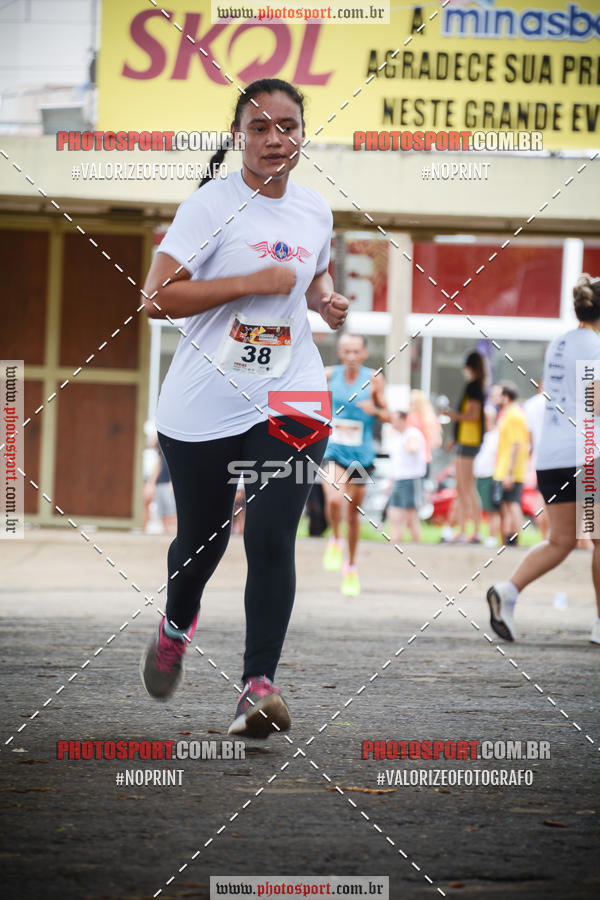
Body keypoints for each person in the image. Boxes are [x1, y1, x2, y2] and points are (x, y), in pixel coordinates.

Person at [139, 78, 349, 738]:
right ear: (239, 138)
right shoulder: (209, 208)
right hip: (205, 400)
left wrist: (326, 302)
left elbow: (314, 273)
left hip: (293, 391)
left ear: (302, 134)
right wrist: (247, 285)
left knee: (268, 532)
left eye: (286, 126)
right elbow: (155, 298)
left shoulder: (316, 211)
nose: (273, 139)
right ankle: (176, 625)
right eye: (259, 128)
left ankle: (258, 686)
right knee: (203, 542)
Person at [487, 275, 600, 644]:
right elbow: (593, 403)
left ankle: (507, 591)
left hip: (552, 454)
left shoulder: (559, 342)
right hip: (586, 453)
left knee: (561, 540)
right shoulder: (595, 346)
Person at [320, 333, 389, 597]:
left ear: (363, 353)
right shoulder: (328, 375)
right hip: (333, 451)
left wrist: (377, 410)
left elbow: (389, 414)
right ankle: (335, 538)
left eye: (355, 352)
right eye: (346, 351)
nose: (350, 356)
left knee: (353, 513)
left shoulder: (374, 379)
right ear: (339, 352)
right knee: (335, 500)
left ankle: (350, 566)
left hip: (362, 456)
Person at [444, 350, 487, 543]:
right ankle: (466, 530)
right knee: (464, 488)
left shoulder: (474, 387)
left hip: (468, 442)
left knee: (465, 488)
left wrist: (450, 415)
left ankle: (472, 530)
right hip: (467, 440)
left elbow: (472, 415)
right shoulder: (477, 386)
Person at [491, 381, 530, 546]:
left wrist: (510, 472)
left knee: (512, 503)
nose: (493, 397)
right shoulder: (508, 414)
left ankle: (514, 539)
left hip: (510, 470)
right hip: (504, 468)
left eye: (497, 394)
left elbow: (516, 444)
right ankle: (509, 537)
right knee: (507, 504)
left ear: (506, 397)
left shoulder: (514, 415)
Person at [387, 410, 427, 543]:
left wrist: (408, 443)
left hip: (411, 479)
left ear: (403, 419)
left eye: (394, 418)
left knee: (411, 517)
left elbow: (413, 448)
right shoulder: (397, 437)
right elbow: (396, 464)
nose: (392, 421)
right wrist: (391, 482)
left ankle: (416, 546)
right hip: (399, 480)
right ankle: (395, 545)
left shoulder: (412, 433)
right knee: (394, 515)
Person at [473, 401, 501, 548]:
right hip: (478, 475)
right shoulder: (479, 435)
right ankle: (477, 534)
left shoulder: (496, 435)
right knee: (478, 507)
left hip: (490, 475)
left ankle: (492, 537)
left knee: (492, 510)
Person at [407, 389, 442, 477]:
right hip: (426, 459)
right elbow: (437, 442)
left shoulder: (411, 418)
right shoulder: (431, 419)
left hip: (413, 461)